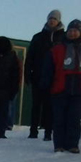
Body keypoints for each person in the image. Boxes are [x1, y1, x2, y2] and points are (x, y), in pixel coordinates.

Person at [42, 19, 81, 153]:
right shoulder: (57, 49)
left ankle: (72, 144)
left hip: (78, 90)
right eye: (70, 30)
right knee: (59, 119)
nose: (72, 33)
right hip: (60, 88)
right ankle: (59, 144)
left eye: (75, 31)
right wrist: (46, 83)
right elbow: (48, 68)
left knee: (74, 118)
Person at [26, 10, 65, 140]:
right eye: (50, 18)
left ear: (58, 21)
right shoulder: (38, 37)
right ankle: (33, 131)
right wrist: (28, 74)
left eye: (54, 19)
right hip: (38, 75)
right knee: (36, 105)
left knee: (50, 105)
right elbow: (30, 57)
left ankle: (48, 132)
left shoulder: (63, 38)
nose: (52, 21)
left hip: (55, 77)